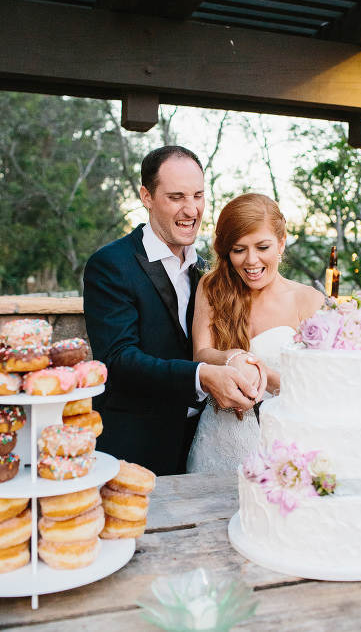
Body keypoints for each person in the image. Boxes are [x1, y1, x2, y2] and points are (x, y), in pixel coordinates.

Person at [84, 147, 261, 476]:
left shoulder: (208, 271)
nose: (191, 209)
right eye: (176, 197)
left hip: (201, 447)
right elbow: (119, 360)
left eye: (198, 195)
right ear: (146, 196)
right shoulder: (110, 265)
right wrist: (201, 376)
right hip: (134, 448)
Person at [186, 193, 326, 473]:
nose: (251, 261)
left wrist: (264, 377)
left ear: (281, 243)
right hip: (216, 443)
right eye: (239, 250)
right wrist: (233, 357)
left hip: (281, 452)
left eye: (262, 247)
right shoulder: (210, 287)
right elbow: (200, 354)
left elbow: (320, 388)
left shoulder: (308, 301)